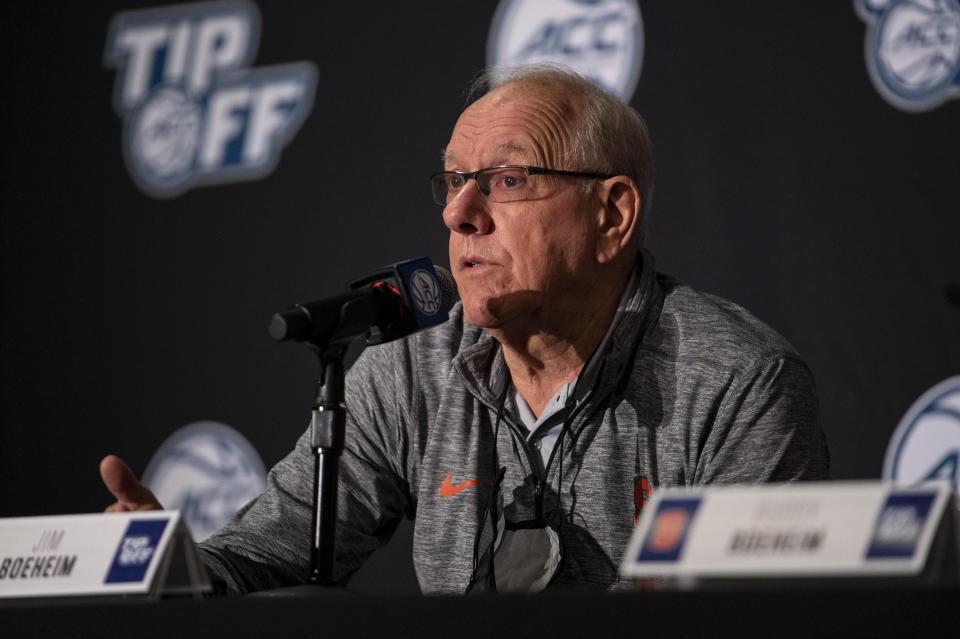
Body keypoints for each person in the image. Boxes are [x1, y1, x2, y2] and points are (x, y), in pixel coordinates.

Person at [101, 65, 830, 594]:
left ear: (612, 216)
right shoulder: (408, 374)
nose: (459, 214)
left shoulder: (737, 383)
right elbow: (265, 557)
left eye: (506, 180)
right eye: (454, 181)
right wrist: (173, 568)